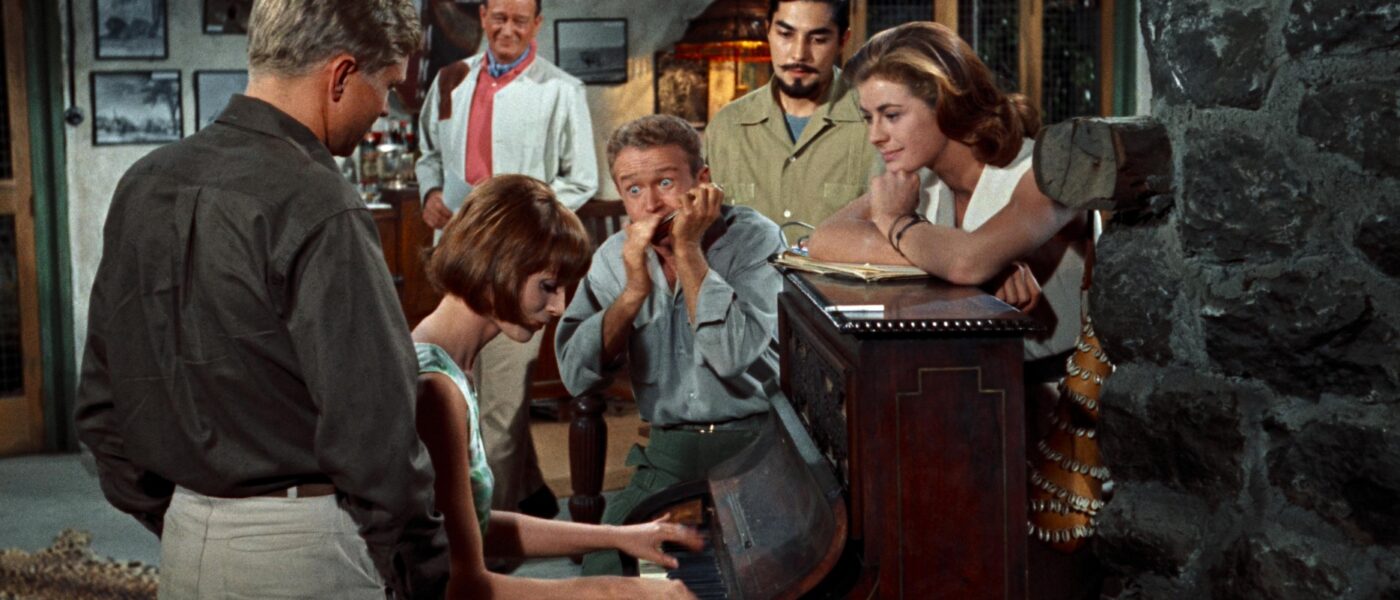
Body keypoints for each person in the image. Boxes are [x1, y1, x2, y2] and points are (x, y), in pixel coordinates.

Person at [74, 1, 447, 598]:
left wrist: (186, 519)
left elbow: (101, 408)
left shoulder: (143, 182)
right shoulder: (322, 203)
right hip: (308, 549)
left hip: (185, 544)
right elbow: (375, 433)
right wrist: (423, 571)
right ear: (341, 75)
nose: (386, 107)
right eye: (388, 84)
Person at [411, 174, 700, 599]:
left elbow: (477, 525)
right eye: (547, 286)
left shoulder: (449, 363)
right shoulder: (436, 388)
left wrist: (620, 537)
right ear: (495, 266)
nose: (559, 306)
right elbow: (463, 586)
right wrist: (615, 592)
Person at [555, 115, 788, 576]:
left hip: (756, 447)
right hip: (668, 453)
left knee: (761, 574)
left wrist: (688, 250)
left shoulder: (754, 238)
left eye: (665, 182)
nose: (651, 204)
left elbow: (730, 356)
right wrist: (631, 294)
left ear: (702, 181)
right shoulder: (614, 257)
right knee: (604, 566)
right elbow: (575, 375)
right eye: (633, 189)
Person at [414, 0, 599, 520]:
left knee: (502, 406)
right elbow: (429, 153)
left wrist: (521, 219)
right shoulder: (451, 79)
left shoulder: (562, 90)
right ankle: (531, 493)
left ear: (537, 24)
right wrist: (430, 190)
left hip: (519, 271)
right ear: (483, 16)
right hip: (462, 258)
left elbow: (582, 179)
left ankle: (485, 534)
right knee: (474, 389)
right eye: (499, 17)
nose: (508, 29)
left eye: (520, 20)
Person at [807, 21, 1084, 358]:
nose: (875, 136)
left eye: (891, 115)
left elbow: (965, 261)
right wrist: (975, 271)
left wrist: (896, 221)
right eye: (868, 118)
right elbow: (825, 238)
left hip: (1058, 385)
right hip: (967, 374)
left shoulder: (1048, 170)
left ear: (945, 103)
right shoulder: (918, 176)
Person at [704, 0, 879, 229]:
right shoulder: (727, 126)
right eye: (786, 35)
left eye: (818, 39)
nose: (799, 54)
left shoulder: (876, 125)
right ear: (768, 31)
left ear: (842, 41)